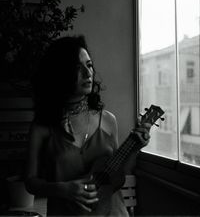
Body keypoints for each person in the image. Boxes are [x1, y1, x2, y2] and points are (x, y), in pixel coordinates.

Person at [25, 35, 151, 216]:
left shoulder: (108, 120)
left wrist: (134, 148)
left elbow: (117, 176)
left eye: (89, 65)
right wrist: (63, 189)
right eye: (77, 68)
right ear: (59, 73)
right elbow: (30, 182)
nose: (88, 73)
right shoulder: (42, 127)